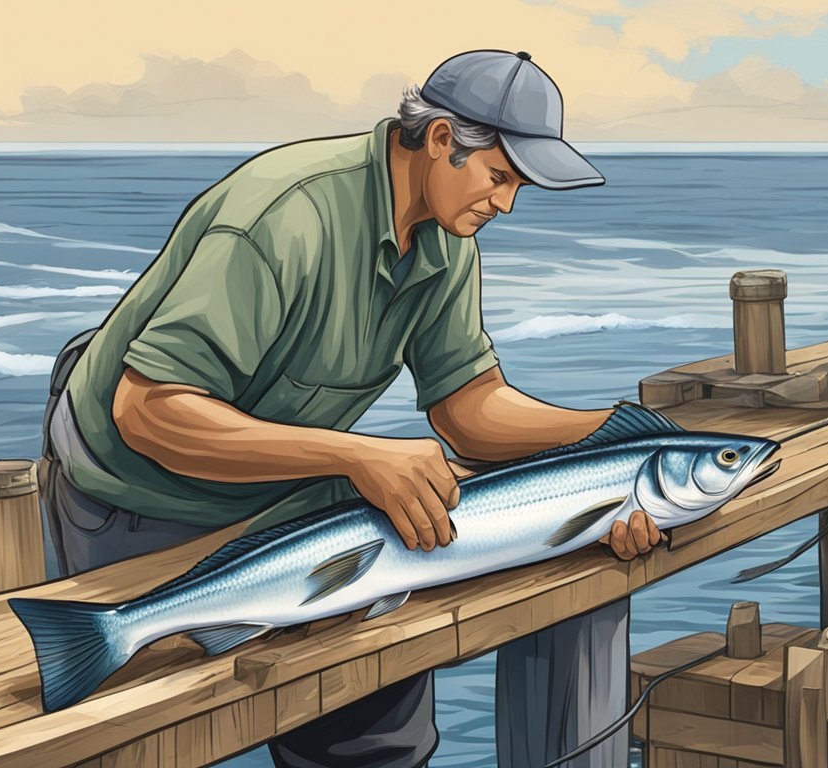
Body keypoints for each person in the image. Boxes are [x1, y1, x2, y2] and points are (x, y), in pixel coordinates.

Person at [41, 49, 662, 768]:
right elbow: (148, 413)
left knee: (375, 696)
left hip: (284, 482)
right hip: (136, 491)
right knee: (149, 721)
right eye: (500, 176)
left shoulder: (447, 236)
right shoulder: (285, 215)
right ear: (439, 141)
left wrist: (623, 446)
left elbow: (468, 409)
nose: (507, 204)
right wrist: (357, 455)